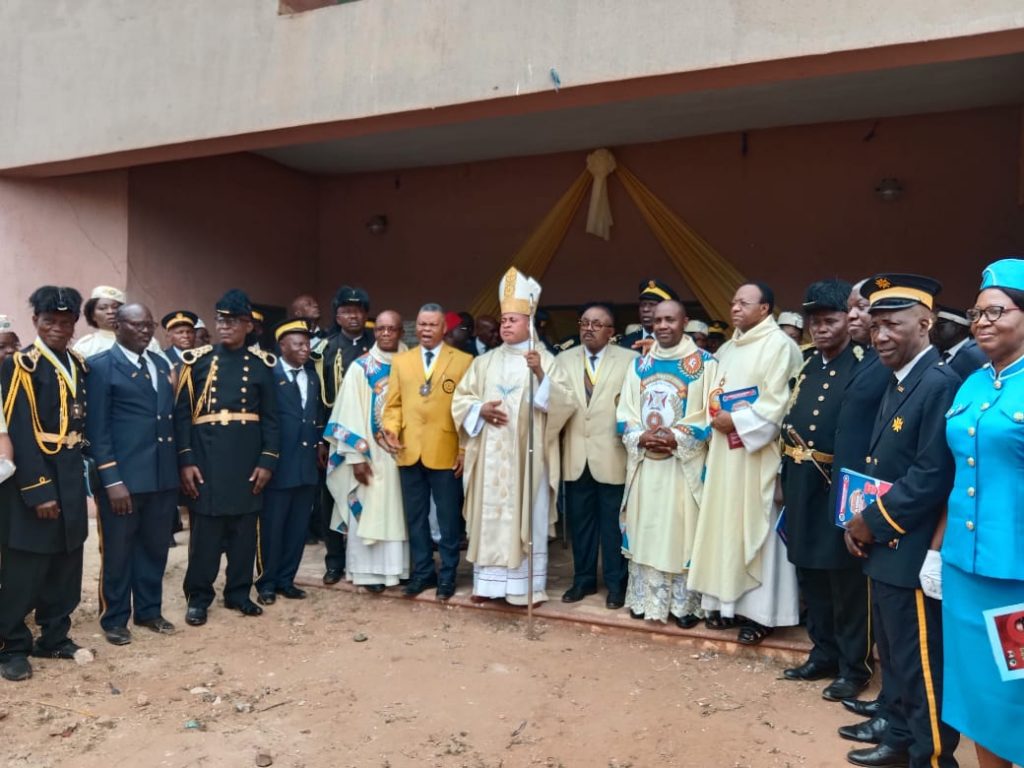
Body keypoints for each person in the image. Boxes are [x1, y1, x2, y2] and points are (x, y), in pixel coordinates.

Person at [842, 274, 960, 768]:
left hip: (908, 547)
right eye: (876, 326)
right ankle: (899, 735)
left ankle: (930, 754)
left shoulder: (938, 383)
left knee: (920, 665)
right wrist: (860, 521)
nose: (880, 336)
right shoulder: (901, 378)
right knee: (895, 653)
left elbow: (931, 476)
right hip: (886, 546)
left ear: (926, 324)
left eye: (893, 325)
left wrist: (872, 521)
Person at [940, 258, 1024, 768]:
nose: (983, 322)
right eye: (977, 313)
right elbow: (956, 473)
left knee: (1017, 694)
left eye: (998, 311)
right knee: (978, 697)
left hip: (1016, 572)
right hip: (965, 570)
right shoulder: (971, 383)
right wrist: (936, 550)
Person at [688, 282, 803, 645]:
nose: (735, 307)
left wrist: (736, 422)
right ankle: (728, 606)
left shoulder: (780, 347)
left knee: (759, 531)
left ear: (765, 309)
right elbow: (711, 395)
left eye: (744, 302)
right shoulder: (726, 348)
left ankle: (764, 613)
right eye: (733, 301)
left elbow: (780, 404)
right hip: (724, 457)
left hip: (758, 459)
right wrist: (714, 417)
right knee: (726, 529)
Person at [779, 280, 874, 702]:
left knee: (845, 581)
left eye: (830, 320)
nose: (821, 329)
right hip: (802, 483)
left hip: (840, 486)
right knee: (811, 573)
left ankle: (855, 667)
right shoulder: (806, 364)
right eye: (814, 322)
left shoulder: (864, 364)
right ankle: (824, 652)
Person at [452, 268, 559, 605]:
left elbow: (563, 404)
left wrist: (540, 374)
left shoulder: (546, 360)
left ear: (529, 323)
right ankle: (488, 585)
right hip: (490, 456)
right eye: (504, 320)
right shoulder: (485, 362)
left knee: (526, 515)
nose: (506, 325)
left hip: (529, 457)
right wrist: (478, 410)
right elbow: (461, 398)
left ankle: (526, 587)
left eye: (514, 319)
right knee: (489, 515)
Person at [175, 289, 280, 627]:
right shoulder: (199, 360)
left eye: (233, 321)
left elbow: (272, 419)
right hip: (207, 457)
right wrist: (186, 460)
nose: (225, 326)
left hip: (247, 459)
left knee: (244, 531)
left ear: (248, 325)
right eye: (221, 319)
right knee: (205, 531)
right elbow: (182, 415)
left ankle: (238, 592)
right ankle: (198, 597)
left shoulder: (261, 365)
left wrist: (267, 461)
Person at [0, 287, 89, 682]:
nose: (57, 327)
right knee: (26, 566)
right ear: (35, 321)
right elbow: (18, 427)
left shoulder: (79, 364)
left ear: (75, 325)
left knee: (66, 559)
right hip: (35, 477)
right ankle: (12, 644)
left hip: (69, 472)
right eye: (49, 320)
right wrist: (38, 488)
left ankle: (54, 635)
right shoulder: (21, 365)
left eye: (65, 322)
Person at [615, 300, 715, 625]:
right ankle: (646, 600)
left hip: (682, 467)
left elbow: (711, 412)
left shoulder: (704, 364)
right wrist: (640, 436)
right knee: (647, 530)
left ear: (685, 321)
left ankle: (684, 606)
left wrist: (677, 436)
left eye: (670, 319)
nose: (662, 326)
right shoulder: (639, 365)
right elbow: (625, 411)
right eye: (657, 320)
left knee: (681, 533)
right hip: (646, 463)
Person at [84, 303, 179, 645]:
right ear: (118, 326)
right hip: (123, 481)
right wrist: (112, 481)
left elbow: (168, 420)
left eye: (149, 325)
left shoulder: (159, 363)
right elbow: (98, 430)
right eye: (136, 325)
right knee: (119, 551)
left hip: (161, 477)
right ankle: (115, 617)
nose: (144, 330)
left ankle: (150, 611)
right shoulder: (101, 367)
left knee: (154, 548)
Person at [827, 280, 894, 736]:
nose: (853, 316)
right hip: (850, 490)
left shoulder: (887, 363)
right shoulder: (862, 359)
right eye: (850, 309)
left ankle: (884, 692)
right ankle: (889, 698)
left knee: (878, 600)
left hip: (877, 499)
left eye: (862, 308)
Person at [547, 303, 637, 609]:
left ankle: (616, 584)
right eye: (584, 322)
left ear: (611, 332)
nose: (589, 328)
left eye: (597, 324)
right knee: (580, 525)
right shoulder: (562, 359)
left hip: (613, 455)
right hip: (575, 456)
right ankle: (582, 580)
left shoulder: (630, 361)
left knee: (613, 526)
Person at [381, 303, 472, 600]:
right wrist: (391, 428)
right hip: (408, 449)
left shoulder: (463, 360)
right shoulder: (402, 361)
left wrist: (463, 449)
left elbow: (467, 410)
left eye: (432, 325)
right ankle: (423, 573)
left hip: (445, 448)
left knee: (447, 519)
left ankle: (447, 576)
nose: (425, 330)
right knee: (416, 517)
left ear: (444, 328)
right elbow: (392, 404)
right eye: (421, 324)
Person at [326, 310, 409, 591]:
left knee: (401, 511)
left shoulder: (412, 363)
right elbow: (347, 412)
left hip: (404, 454)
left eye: (391, 329)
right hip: (371, 454)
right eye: (380, 329)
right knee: (371, 506)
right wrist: (356, 457)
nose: (385, 334)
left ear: (401, 332)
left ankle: (401, 570)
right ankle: (368, 573)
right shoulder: (361, 368)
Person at [254, 319, 324, 605]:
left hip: (306, 465)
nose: (304, 349)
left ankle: (287, 580)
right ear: (282, 346)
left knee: (297, 527)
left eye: (307, 344)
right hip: (279, 465)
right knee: (272, 527)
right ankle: (266, 582)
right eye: (297, 344)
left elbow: (315, 416)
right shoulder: (268, 375)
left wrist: (319, 442)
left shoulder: (312, 376)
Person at [314, 286, 374, 584]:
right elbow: (316, 398)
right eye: (347, 310)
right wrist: (320, 441)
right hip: (335, 436)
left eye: (359, 309)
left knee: (372, 495)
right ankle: (335, 561)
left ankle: (370, 560)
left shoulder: (378, 344)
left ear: (366, 314)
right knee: (334, 496)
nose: (353, 315)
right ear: (337, 316)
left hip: (373, 438)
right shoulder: (325, 348)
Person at [618, 279, 678, 352]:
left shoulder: (682, 343)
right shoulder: (625, 343)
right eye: (642, 305)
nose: (645, 309)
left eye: (652, 305)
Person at [932, 305, 987, 380]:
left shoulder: (972, 356)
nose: (934, 330)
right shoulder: (938, 351)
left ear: (958, 328)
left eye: (940, 326)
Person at [73, 285, 125, 358]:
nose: (110, 311)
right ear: (93, 315)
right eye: (103, 308)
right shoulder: (86, 346)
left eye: (115, 307)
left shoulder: (137, 341)